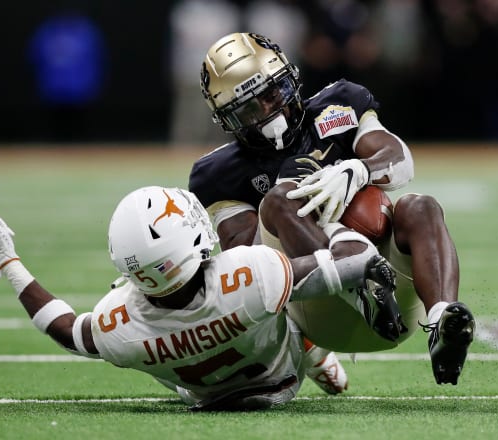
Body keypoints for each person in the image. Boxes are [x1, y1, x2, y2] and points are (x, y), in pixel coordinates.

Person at [189, 32, 475, 385]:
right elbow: (245, 263)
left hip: (396, 299)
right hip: (317, 309)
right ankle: (356, 287)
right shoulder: (217, 175)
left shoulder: (338, 105)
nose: (268, 112)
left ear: (289, 80)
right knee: (280, 201)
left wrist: (358, 170)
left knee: (420, 206)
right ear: (229, 120)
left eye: (271, 93)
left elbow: (401, 160)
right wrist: (302, 203)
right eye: (249, 109)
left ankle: (441, 317)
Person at [0, 186, 398, 410]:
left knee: (141, 347)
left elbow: (66, 330)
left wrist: (10, 261)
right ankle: (314, 351)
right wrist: (331, 219)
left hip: (204, 394)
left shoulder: (118, 321)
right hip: (282, 375)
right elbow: (359, 257)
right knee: (289, 286)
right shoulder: (249, 273)